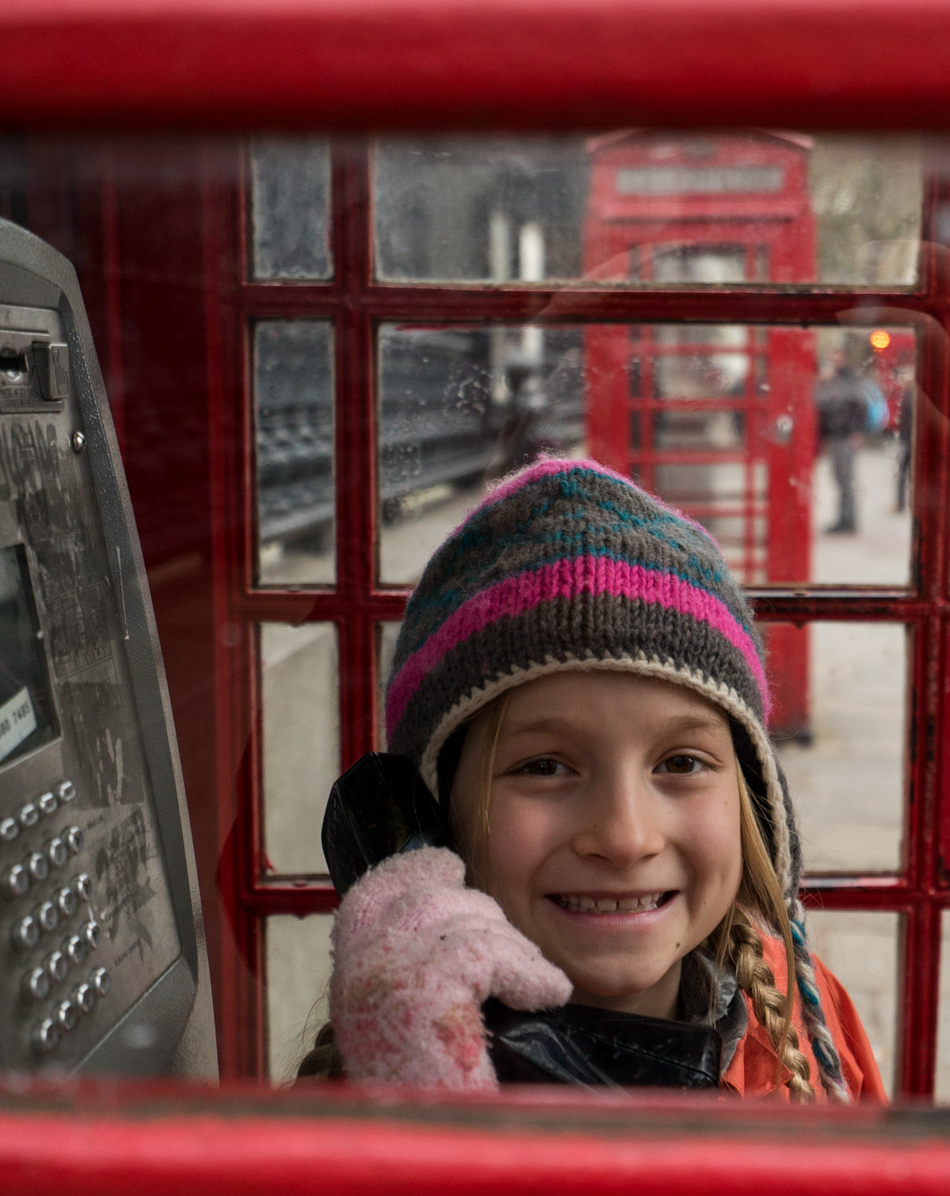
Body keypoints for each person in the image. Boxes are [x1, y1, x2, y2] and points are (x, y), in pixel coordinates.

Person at [298, 457, 884, 1111]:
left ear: (757, 802)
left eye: (681, 763)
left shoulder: (807, 1011)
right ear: (427, 819)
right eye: (544, 767)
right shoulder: (379, 1092)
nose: (624, 837)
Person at [813, 356, 870, 535]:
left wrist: (857, 432)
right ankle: (842, 519)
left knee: (846, 479)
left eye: (835, 359)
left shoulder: (849, 382)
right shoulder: (830, 383)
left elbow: (860, 407)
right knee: (839, 479)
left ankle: (849, 520)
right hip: (835, 437)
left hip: (846, 437)